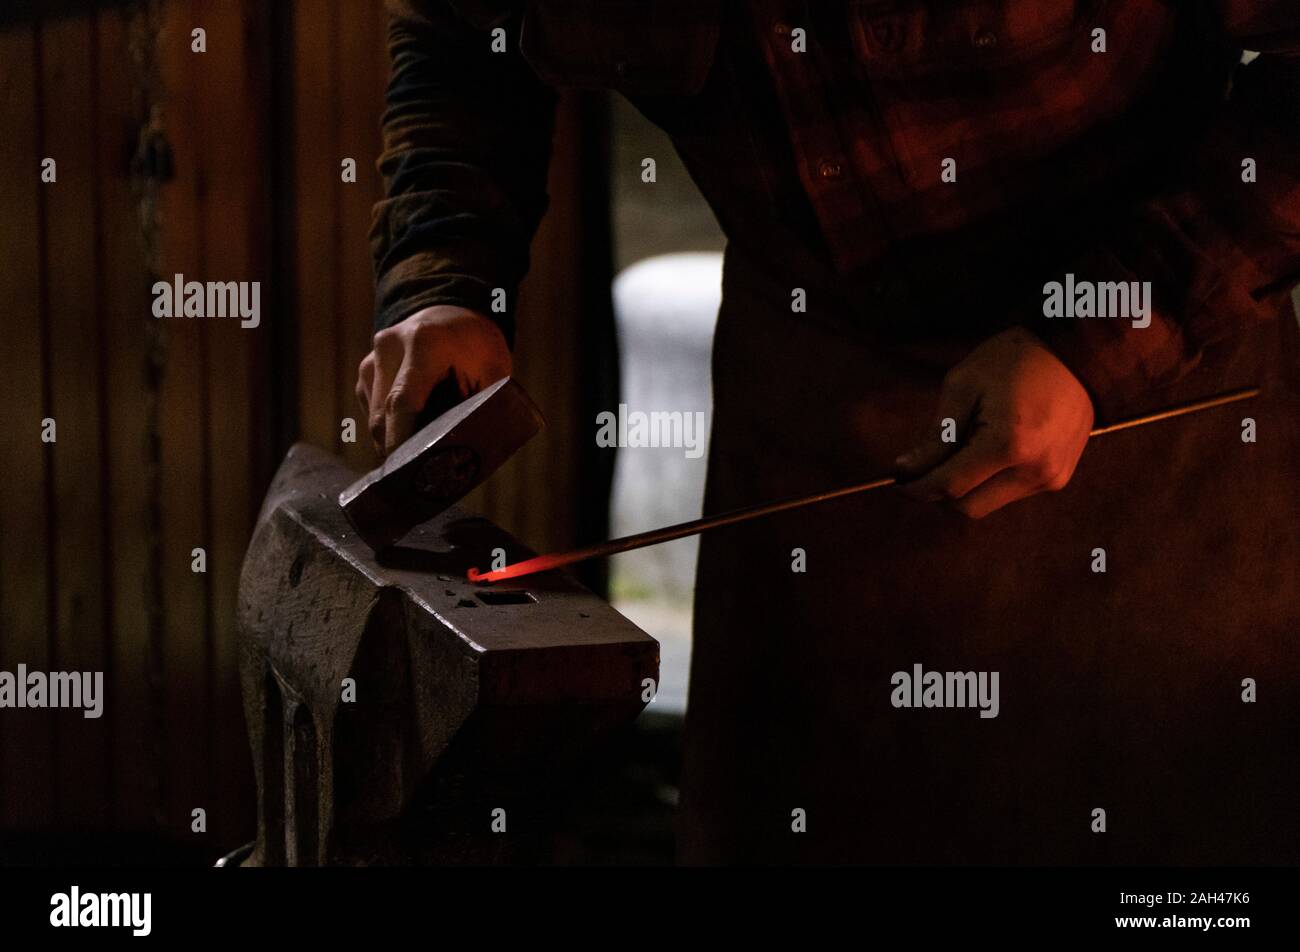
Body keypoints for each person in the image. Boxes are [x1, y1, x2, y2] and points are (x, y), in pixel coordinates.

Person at [356, 0, 1300, 864]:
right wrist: (448, 282)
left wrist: (1101, 332)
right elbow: (462, 40)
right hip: (814, 395)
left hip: (1161, 408)